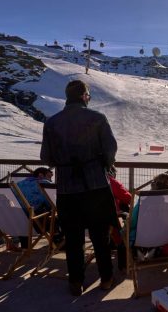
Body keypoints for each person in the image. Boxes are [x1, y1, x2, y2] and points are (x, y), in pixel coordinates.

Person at [40, 80, 118, 296]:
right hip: (95, 186)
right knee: (99, 236)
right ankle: (106, 278)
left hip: (66, 188)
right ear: (85, 96)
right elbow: (110, 150)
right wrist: (104, 163)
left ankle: (76, 281)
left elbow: (45, 157)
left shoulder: (52, 122)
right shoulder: (97, 119)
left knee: (73, 239)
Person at [15, 167, 56, 249]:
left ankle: (25, 247)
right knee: (59, 215)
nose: (50, 180)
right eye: (49, 176)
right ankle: (57, 242)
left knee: (23, 213)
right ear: (40, 175)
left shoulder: (18, 184)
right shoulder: (45, 183)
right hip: (38, 223)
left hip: (17, 221)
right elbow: (52, 204)